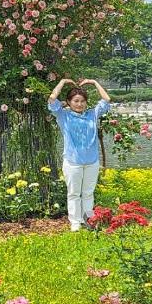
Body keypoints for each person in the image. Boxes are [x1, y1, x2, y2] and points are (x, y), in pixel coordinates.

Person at [48, 78, 111, 232]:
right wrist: (62, 82)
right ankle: (75, 222)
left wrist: (95, 82)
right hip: (72, 162)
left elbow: (106, 99)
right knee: (74, 193)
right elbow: (51, 99)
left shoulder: (92, 114)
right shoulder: (63, 116)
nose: (79, 104)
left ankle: (89, 220)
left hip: (92, 161)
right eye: (76, 101)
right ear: (69, 102)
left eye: (82, 101)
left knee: (88, 193)